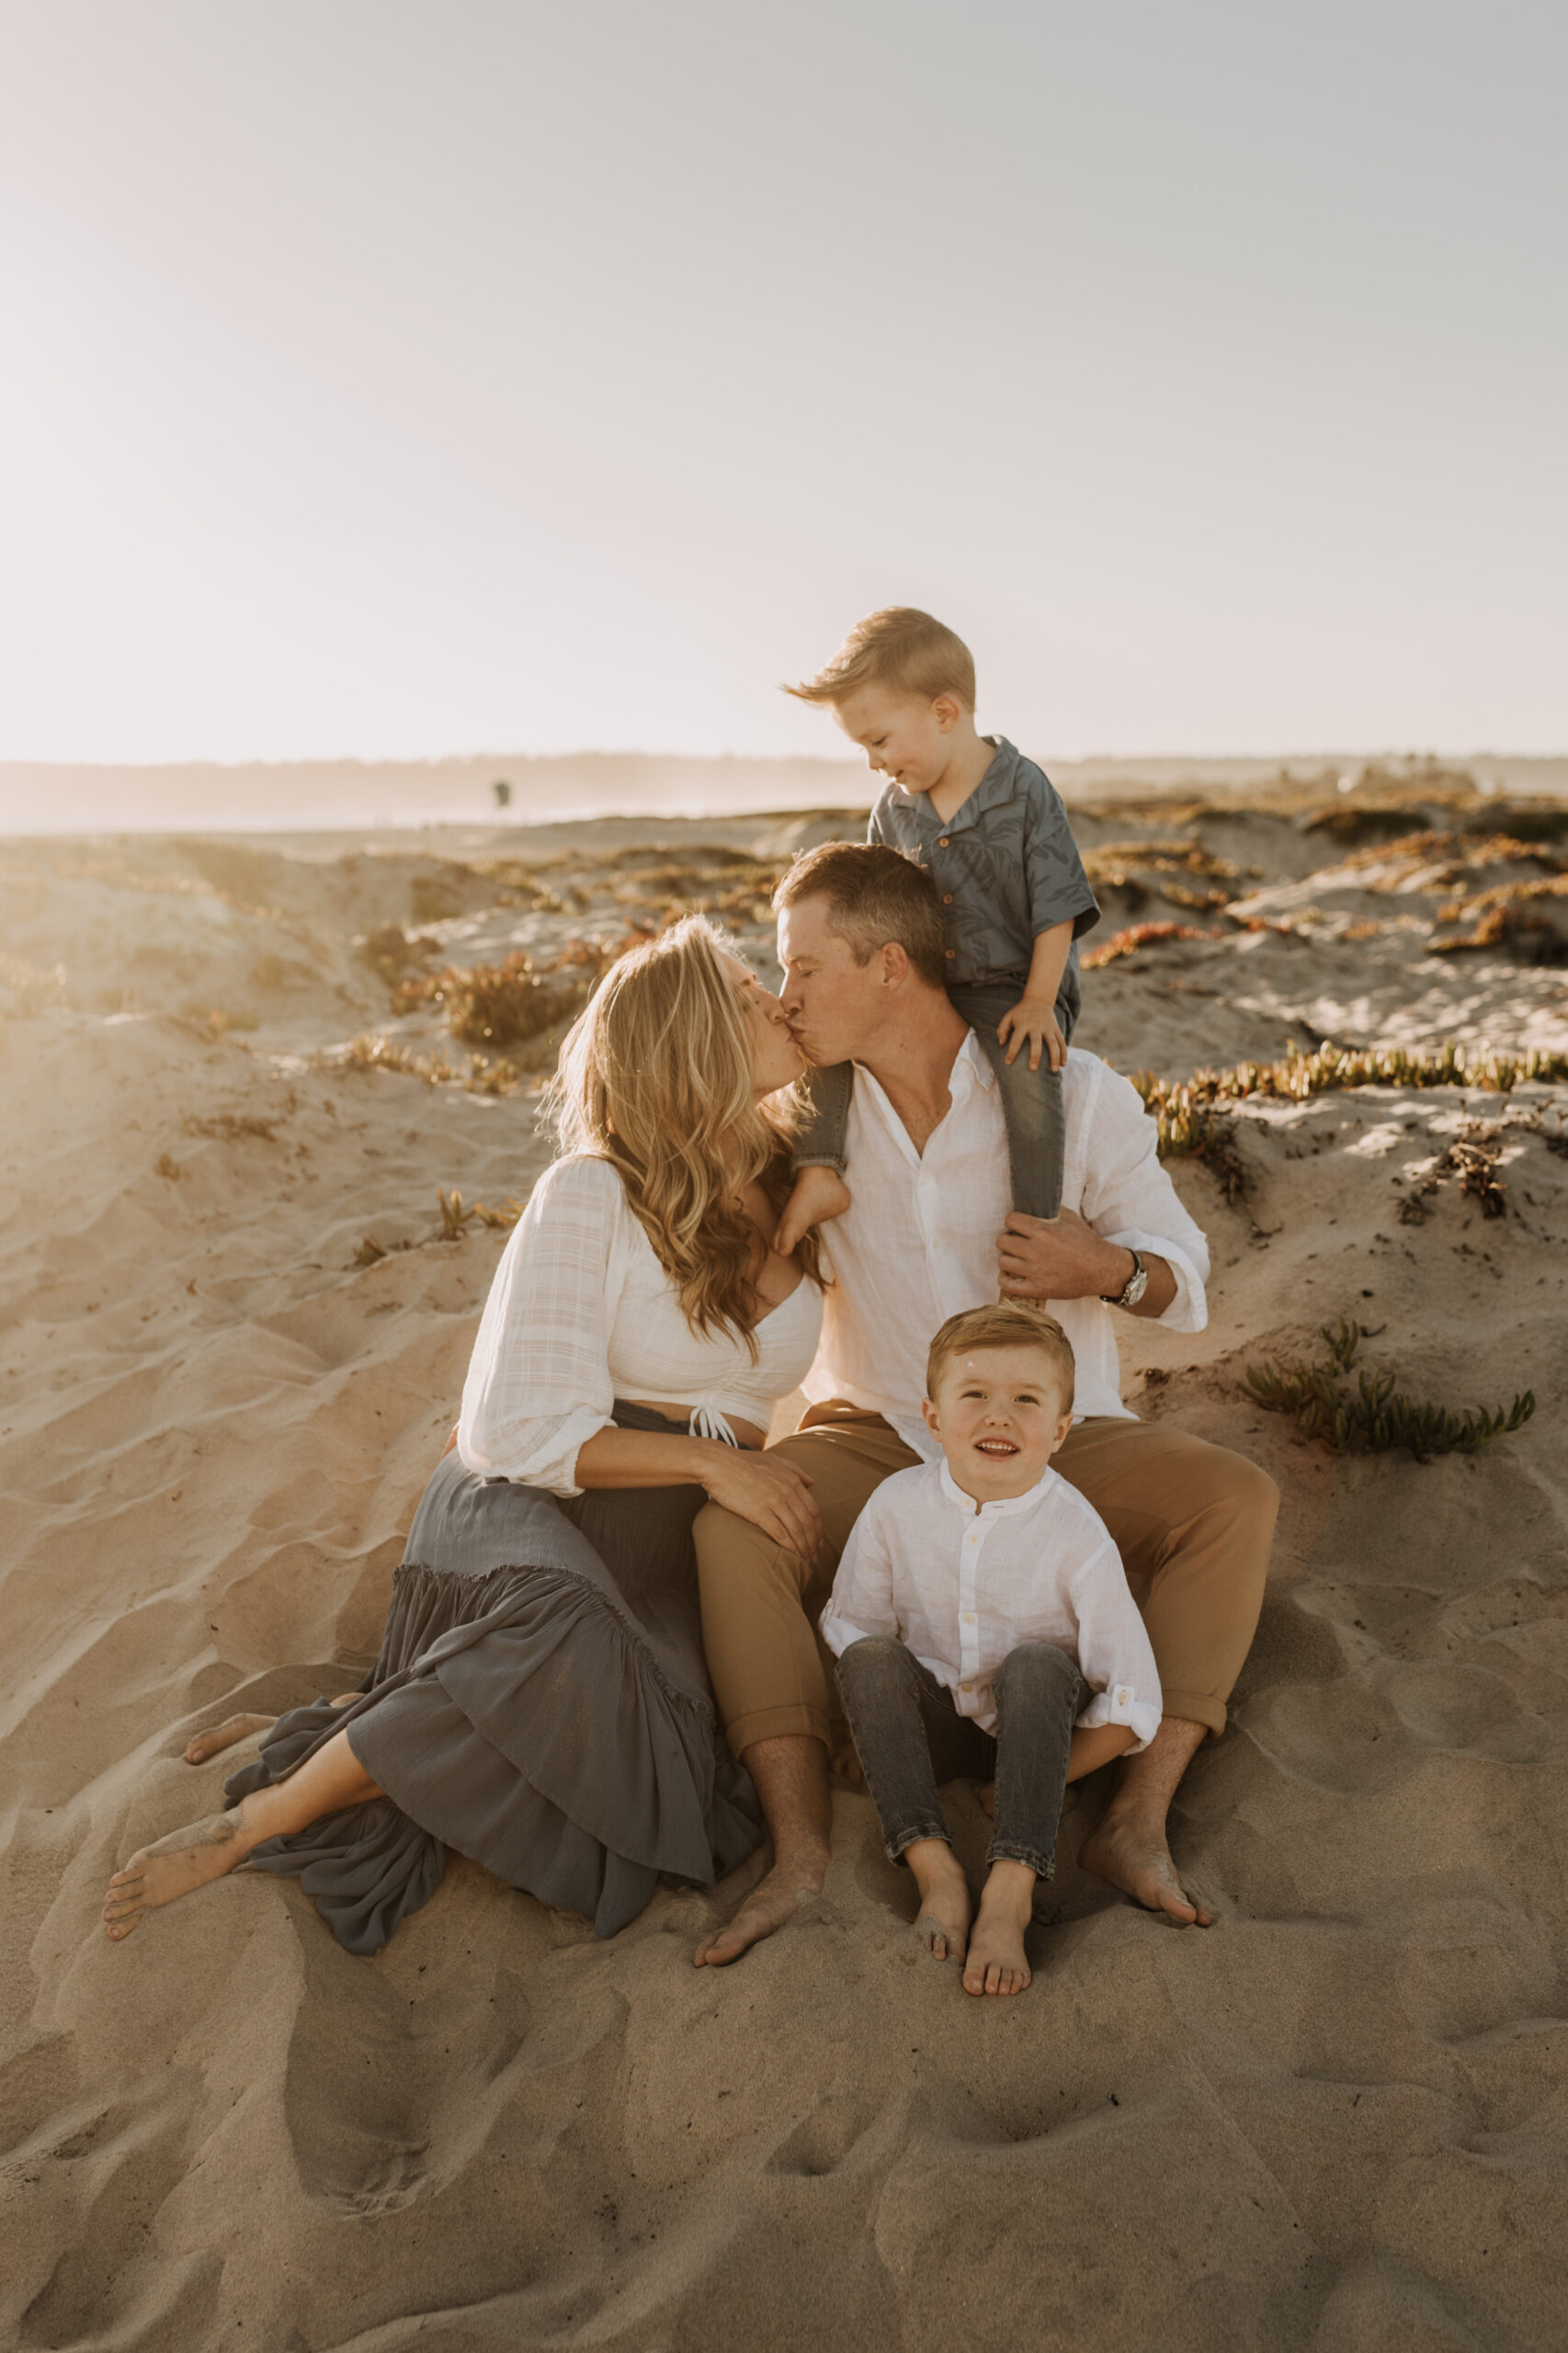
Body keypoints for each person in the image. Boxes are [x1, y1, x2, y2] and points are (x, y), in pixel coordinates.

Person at [102, 918, 827, 1954]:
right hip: (531, 1502)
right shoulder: (593, 1191)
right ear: (694, 1038)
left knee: (669, 1740)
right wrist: (715, 1462)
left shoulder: (800, 1172)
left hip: (673, 1546)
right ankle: (267, 1812)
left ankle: (374, 1714)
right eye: (748, 991)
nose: (776, 1003)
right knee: (568, 1639)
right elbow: (520, 1428)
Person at [690, 840, 1279, 1969]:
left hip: (1059, 1436)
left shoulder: (1069, 1091)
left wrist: (1099, 1269)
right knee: (732, 1527)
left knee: (1233, 1501)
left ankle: (1133, 1821)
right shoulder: (795, 1121)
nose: (786, 994)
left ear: (891, 967)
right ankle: (802, 1850)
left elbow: (1186, 1278)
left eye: (804, 966)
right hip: (873, 1432)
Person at [824, 1303, 1161, 1999]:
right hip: (937, 1728)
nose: (998, 1417)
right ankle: (935, 1870)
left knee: (1037, 1664)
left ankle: (1011, 1888)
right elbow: (853, 1629)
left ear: (1062, 1429)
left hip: (1035, 1737)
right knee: (868, 1658)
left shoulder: (1075, 1533)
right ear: (934, 1416)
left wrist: (1035, 1780)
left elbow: (1132, 1699)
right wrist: (878, 1737)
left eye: (1026, 1401)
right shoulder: (895, 1506)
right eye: (974, 1395)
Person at [777, 608, 1099, 1256]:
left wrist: (1040, 1003)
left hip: (1015, 983)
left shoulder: (1025, 791)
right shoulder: (894, 811)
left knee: (1027, 1070)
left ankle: (1038, 1224)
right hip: (928, 980)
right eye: (862, 748)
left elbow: (1056, 906)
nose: (873, 762)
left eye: (879, 740)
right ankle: (818, 1169)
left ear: (945, 713)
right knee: (828, 1031)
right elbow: (872, 900)